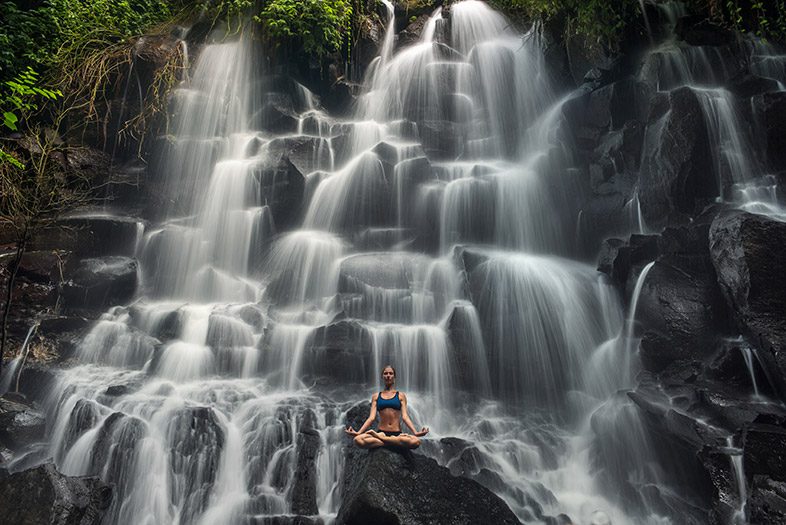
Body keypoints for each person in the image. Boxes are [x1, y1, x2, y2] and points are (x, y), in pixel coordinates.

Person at [345, 365, 429, 449]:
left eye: (391, 373)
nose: (388, 375)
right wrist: (358, 432)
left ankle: (382, 440)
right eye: (385, 373)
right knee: (357, 439)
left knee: (416, 441)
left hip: (396, 433)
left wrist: (415, 432)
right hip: (382, 432)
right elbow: (371, 418)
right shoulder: (376, 396)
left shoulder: (401, 396)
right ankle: (393, 442)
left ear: (394, 377)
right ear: (382, 376)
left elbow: (405, 417)